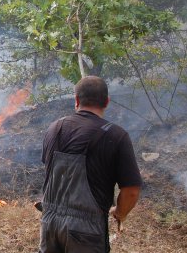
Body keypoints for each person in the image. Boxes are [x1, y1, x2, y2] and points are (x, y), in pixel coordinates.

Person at [38, 76, 142, 253]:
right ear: (106, 102)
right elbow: (131, 191)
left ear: (77, 100)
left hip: (49, 225)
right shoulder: (116, 136)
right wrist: (120, 213)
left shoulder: (54, 128)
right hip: (86, 233)